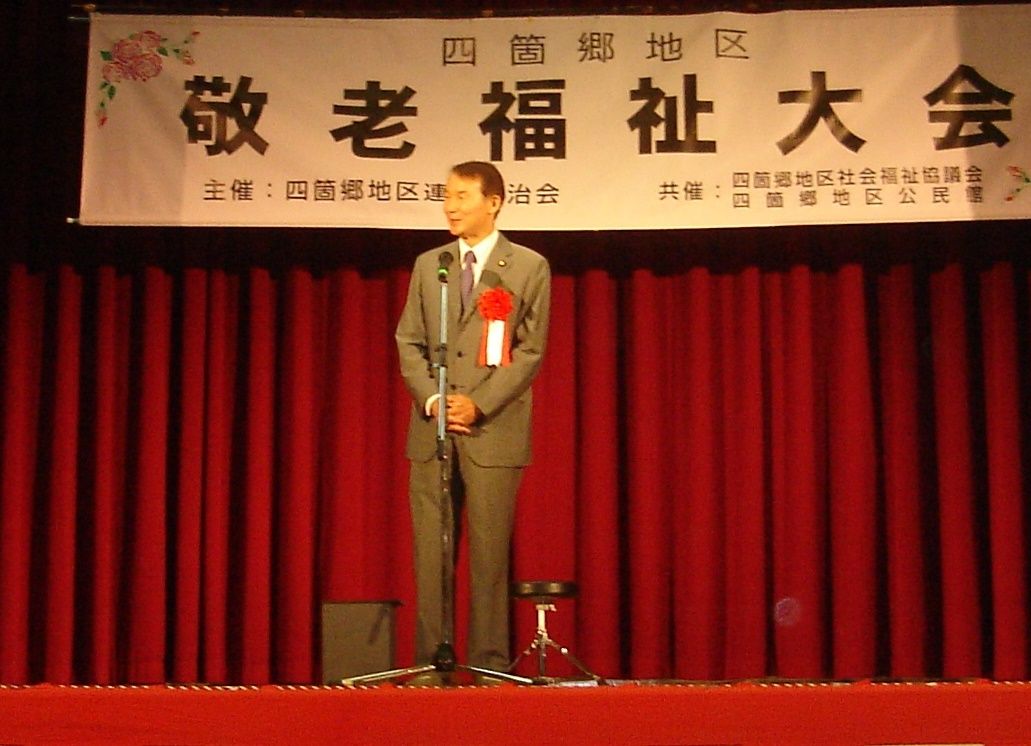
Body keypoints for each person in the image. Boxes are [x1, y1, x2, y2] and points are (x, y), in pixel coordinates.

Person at [395, 161, 551, 673]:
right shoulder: (431, 265)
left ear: (494, 202)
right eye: (447, 196)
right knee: (431, 556)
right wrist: (434, 400)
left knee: (489, 558)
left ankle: (489, 666)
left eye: (462, 196)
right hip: (433, 430)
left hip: (493, 430)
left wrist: (477, 403)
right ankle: (430, 664)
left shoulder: (527, 266)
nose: (450, 206)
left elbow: (529, 351)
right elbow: (409, 341)